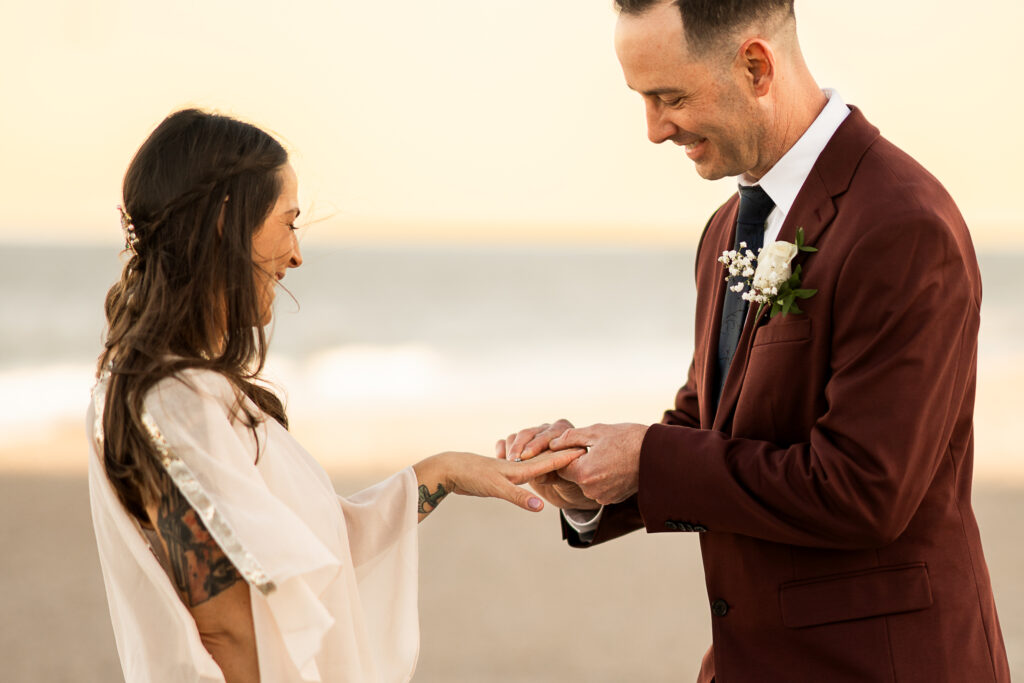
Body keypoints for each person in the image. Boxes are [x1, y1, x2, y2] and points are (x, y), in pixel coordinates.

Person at [499, 1, 1011, 681]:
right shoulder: (725, 231)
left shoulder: (901, 224)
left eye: (668, 96)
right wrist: (591, 480)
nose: (653, 130)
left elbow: (862, 491)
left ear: (755, 66)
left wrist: (648, 458)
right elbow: (708, 425)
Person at [87, 108, 582, 683]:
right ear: (227, 220)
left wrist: (445, 472)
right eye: (288, 221)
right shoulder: (172, 401)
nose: (297, 254)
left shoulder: (192, 390)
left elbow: (313, 555)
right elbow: (225, 626)